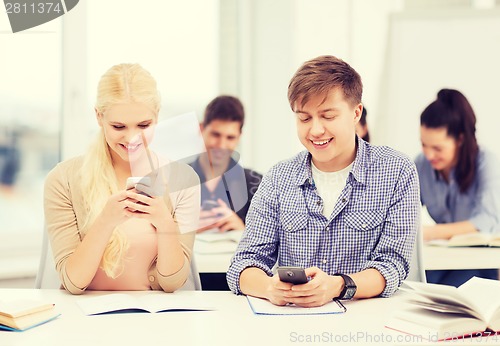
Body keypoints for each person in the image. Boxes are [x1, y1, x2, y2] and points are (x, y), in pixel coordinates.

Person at [227, 55, 420, 307]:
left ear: (356, 113)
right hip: (293, 321)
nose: (315, 130)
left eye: (328, 116)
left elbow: (392, 265)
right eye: (304, 118)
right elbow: (243, 264)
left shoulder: (396, 171)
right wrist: (268, 287)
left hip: (366, 320)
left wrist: (338, 286)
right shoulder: (278, 178)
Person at [44, 63, 200, 295]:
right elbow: (73, 283)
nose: (132, 138)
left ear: (157, 116)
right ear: (99, 117)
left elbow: (172, 283)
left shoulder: (183, 179)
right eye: (118, 126)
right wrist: (106, 221)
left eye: (143, 125)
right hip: (83, 319)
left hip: (157, 319)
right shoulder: (63, 179)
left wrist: (164, 222)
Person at [415, 88, 500, 286]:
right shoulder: (421, 164)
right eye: (424, 144)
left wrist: (428, 233)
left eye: (437, 148)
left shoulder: (486, 162)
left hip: (479, 260)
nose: (429, 154)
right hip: (442, 257)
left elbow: (487, 221)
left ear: (460, 140)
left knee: (449, 291)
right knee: (415, 286)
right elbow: (402, 207)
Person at [189, 95, 262, 233]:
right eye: (215, 135)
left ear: (239, 137)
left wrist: (242, 231)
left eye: (230, 137)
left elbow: (273, 247)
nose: (221, 145)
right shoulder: (174, 181)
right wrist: (183, 232)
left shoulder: (257, 185)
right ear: (201, 129)